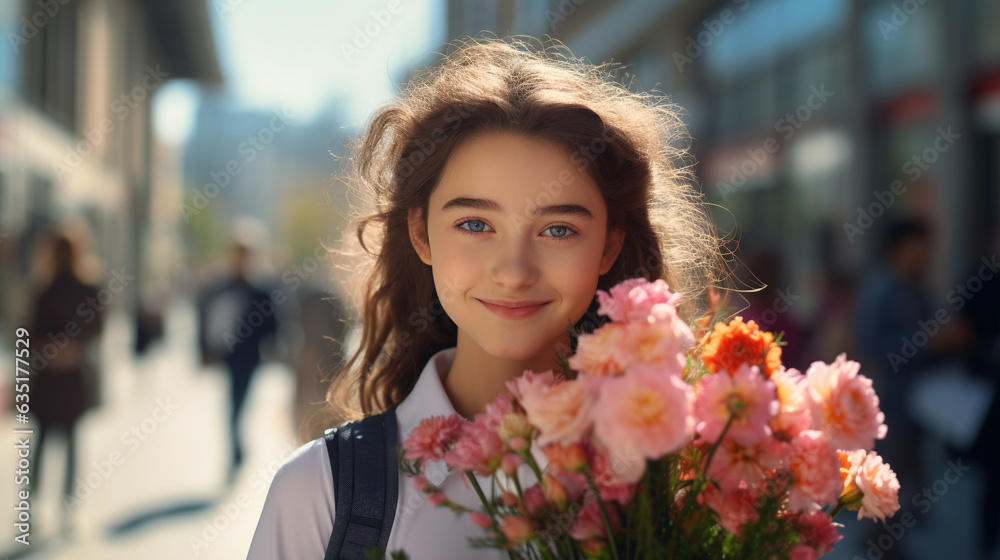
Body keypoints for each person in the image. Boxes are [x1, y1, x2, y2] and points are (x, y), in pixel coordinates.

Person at [246, 37, 725, 559]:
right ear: (422, 235)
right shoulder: (322, 494)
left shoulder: (686, 481)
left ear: (609, 244)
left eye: (559, 230)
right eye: (475, 224)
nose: (515, 271)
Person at [27, 228, 105, 534]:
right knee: (50, 441)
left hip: (68, 377)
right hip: (54, 377)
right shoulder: (45, 288)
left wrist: (67, 348)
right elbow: (29, 331)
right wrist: (55, 349)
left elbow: (96, 328)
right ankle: (44, 505)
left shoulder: (84, 288)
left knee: (61, 441)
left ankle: (60, 506)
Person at [197, 222, 279, 479]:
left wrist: (274, 346)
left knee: (241, 402)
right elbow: (207, 319)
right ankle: (236, 450)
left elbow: (272, 323)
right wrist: (204, 350)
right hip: (228, 355)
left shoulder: (260, 290)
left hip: (251, 356)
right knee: (233, 403)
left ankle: (237, 448)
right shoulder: (220, 287)